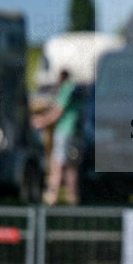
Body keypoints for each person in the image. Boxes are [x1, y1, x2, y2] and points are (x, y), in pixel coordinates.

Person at [32, 69, 82, 206]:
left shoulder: (67, 87)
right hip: (74, 132)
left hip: (65, 131)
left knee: (57, 164)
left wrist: (41, 121)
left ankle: (51, 198)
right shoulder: (74, 87)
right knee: (71, 166)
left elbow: (58, 111)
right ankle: (73, 199)